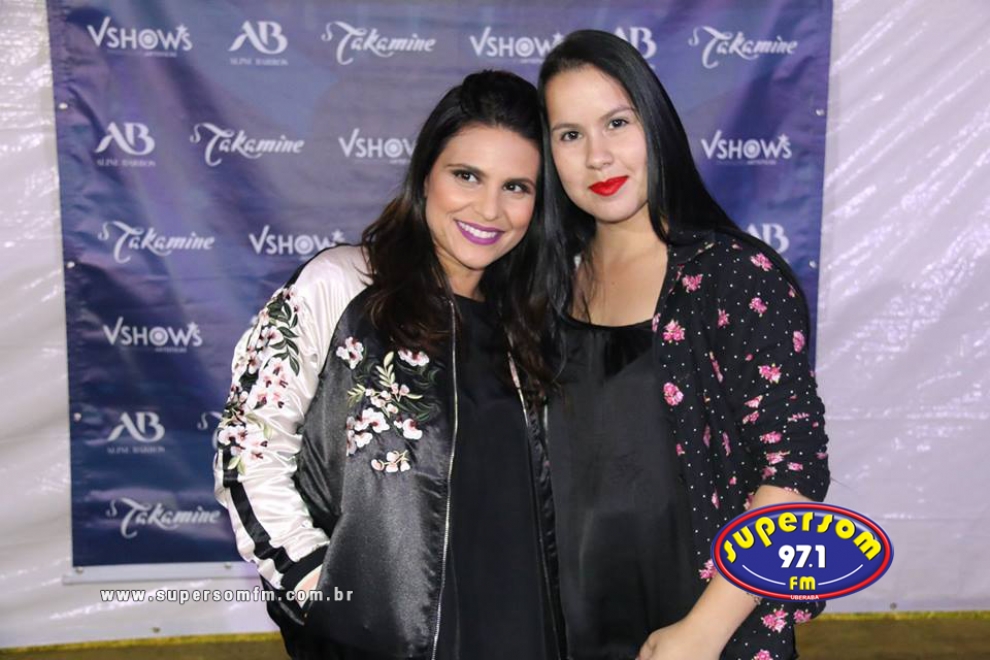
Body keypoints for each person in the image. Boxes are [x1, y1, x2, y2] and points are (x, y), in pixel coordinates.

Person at [213, 70, 562, 660]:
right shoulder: (340, 284)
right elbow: (247, 443)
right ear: (426, 174)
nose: (489, 208)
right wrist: (317, 591)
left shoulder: (536, 322)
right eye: (466, 175)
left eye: (516, 187)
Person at [536, 30, 830, 660]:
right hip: (572, 629)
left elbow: (794, 471)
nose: (597, 157)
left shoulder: (733, 276)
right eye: (569, 135)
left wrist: (703, 631)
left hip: (707, 634)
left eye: (617, 123)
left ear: (656, 122)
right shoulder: (546, 289)